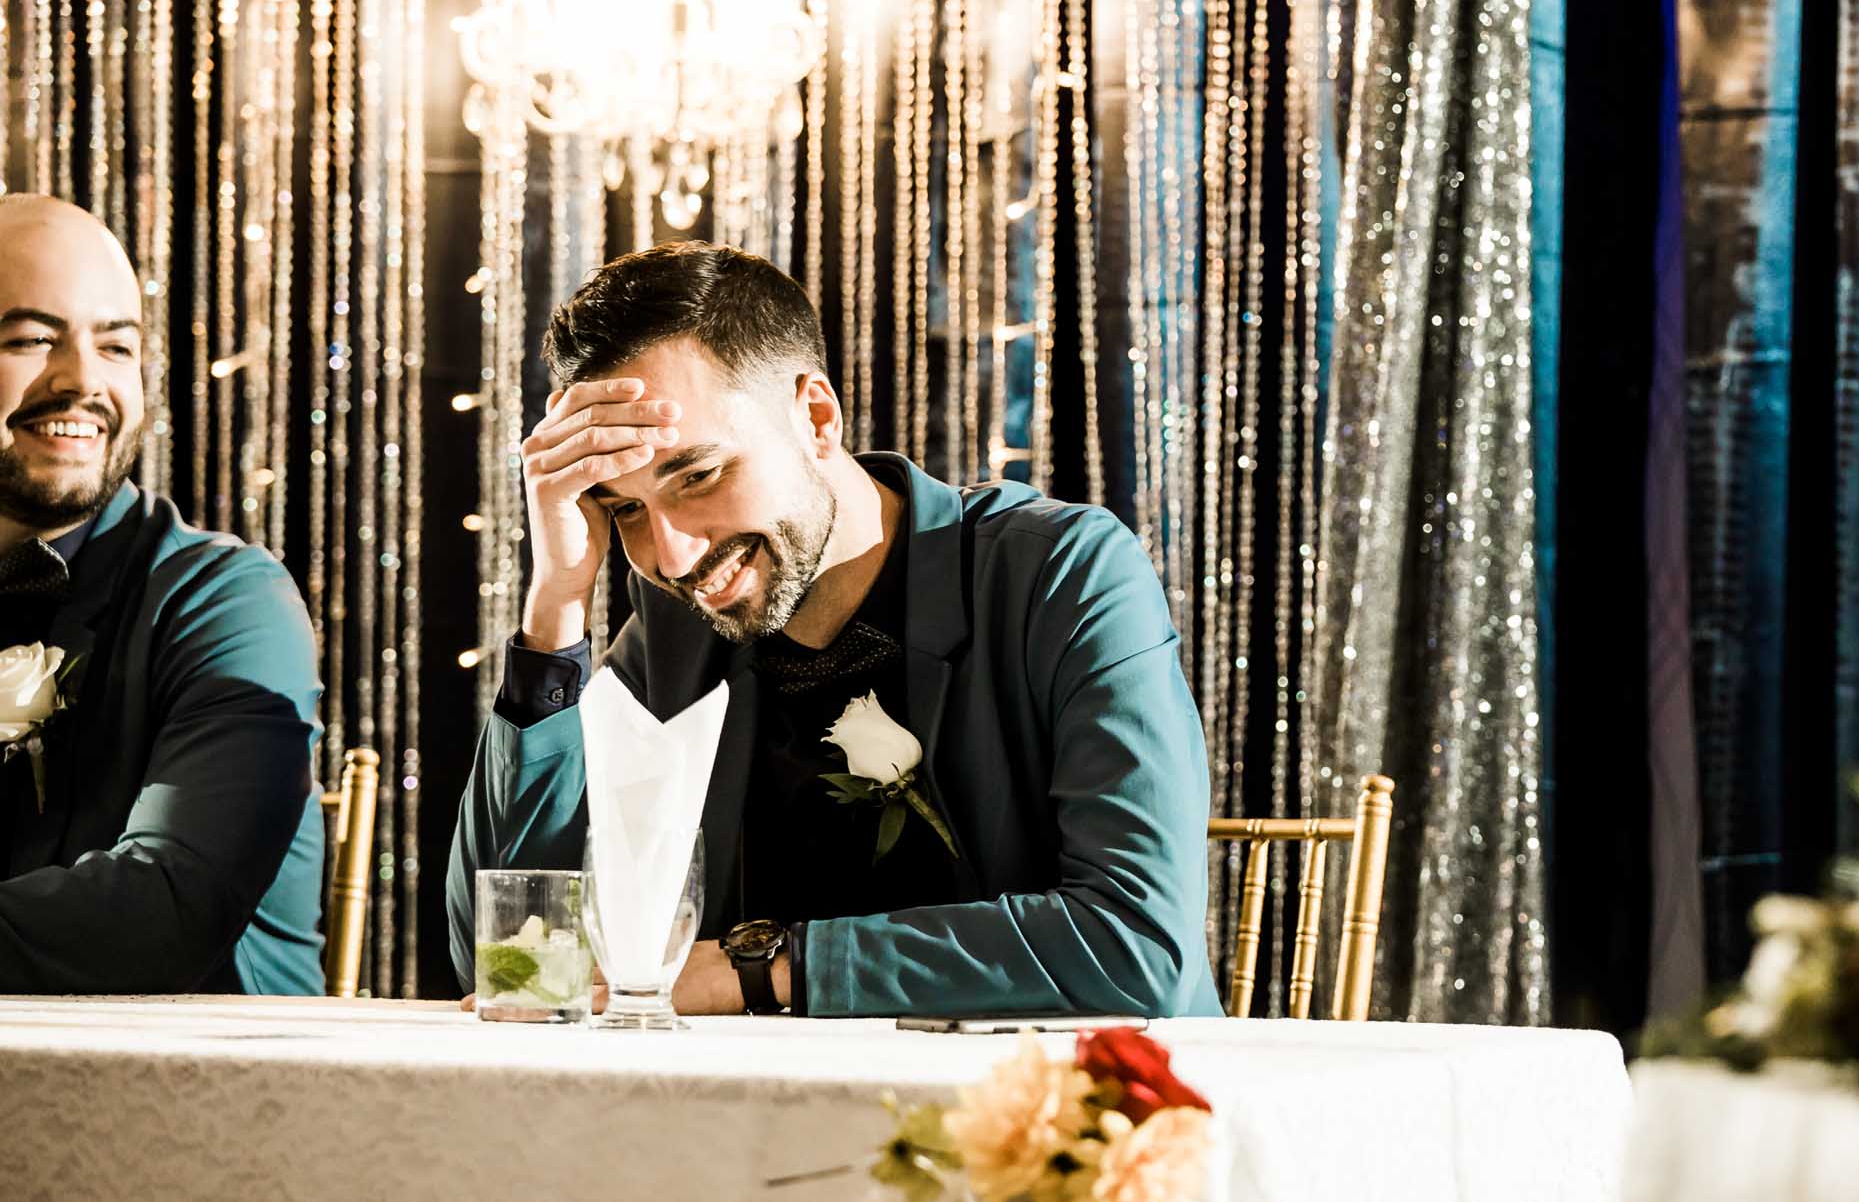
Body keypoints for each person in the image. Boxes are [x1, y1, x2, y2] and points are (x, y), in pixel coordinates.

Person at [448, 241, 1220, 1017]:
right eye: (623, 509)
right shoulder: (680, 627)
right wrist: (555, 608)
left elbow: (1133, 944)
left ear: (817, 416)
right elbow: (516, 958)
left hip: (1069, 1119)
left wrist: (750, 970)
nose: (673, 553)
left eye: (699, 475)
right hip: (781, 1125)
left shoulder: (1062, 572)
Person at [0, 194, 325, 994]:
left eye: (117, 347)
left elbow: (163, 914)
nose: (81, 380)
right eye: (32, 339)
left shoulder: (226, 599)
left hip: (214, 1102)